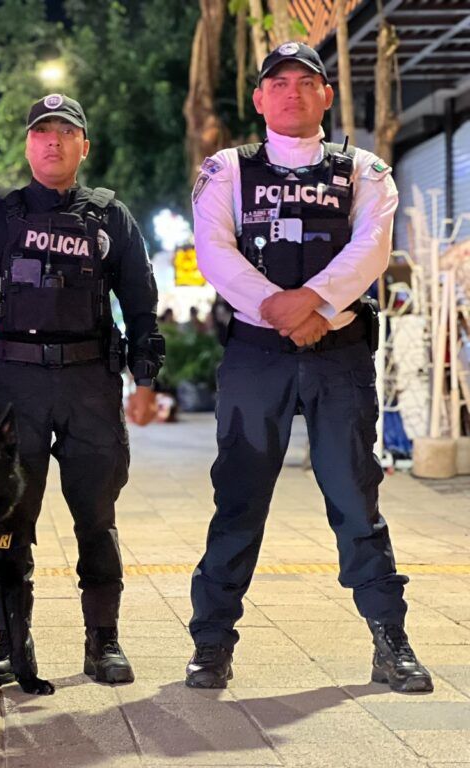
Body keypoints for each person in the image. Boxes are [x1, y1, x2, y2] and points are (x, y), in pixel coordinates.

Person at [186, 43, 432, 694]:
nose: (292, 92)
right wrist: (279, 306)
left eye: (307, 82)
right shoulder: (226, 171)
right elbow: (214, 249)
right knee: (237, 502)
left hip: (339, 355)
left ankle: (391, 641)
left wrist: (316, 303)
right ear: (260, 99)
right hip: (255, 356)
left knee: (356, 500)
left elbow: (371, 247)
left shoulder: (367, 169)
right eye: (278, 83)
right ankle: (211, 645)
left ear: (326, 95)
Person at [0, 93, 164, 685]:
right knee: (7, 518)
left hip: (91, 382)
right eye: (42, 132)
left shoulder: (111, 218)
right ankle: (16, 642)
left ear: (83, 146)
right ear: (28, 144)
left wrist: (144, 380)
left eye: (66, 132)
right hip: (14, 387)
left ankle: (104, 642)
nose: (53, 141)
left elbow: (142, 304)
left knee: (97, 516)